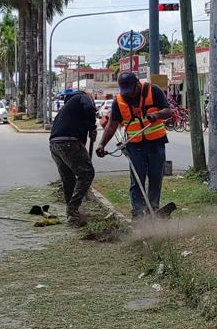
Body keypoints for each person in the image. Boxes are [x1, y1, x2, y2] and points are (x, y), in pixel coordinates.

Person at [96, 72, 171, 218]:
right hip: (135, 145)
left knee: (156, 178)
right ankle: (138, 213)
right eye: (125, 91)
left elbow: (168, 111)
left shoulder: (153, 90)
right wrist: (101, 144)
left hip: (156, 143)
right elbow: (112, 124)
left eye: (130, 90)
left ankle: (153, 210)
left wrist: (157, 115)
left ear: (137, 84)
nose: (128, 94)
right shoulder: (119, 100)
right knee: (137, 180)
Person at [48, 89, 98, 225]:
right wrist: (92, 127)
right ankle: (73, 208)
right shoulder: (82, 97)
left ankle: (72, 215)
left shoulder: (66, 109)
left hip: (54, 145)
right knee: (87, 173)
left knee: (68, 178)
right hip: (69, 142)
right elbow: (89, 107)